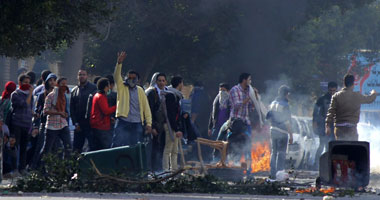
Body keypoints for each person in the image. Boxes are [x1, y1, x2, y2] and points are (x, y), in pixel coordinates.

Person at [112, 52, 152, 147]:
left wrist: (149, 123)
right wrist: (119, 63)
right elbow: (117, 76)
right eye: (129, 78)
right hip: (123, 121)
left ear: (137, 80)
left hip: (137, 122)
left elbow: (146, 108)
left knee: (134, 147)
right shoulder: (122, 87)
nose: (131, 80)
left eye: (134, 78)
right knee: (116, 144)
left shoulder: (140, 90)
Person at [326, 74, 377, 141]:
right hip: (352, 128)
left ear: (344, 83)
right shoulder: (357, 96)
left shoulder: (336, 96)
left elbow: (331, 112)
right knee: (352, 148)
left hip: (339, 129)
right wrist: (374, 93)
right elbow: (369, 99)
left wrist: (327, 126)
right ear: (353, 84)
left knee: (340, 148)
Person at [30, 73, 57, 169]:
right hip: (44, 123)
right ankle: (35, 166)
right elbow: (38, 109)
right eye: (50, 80)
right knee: (41, 146)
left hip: (56, 124)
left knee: (56, 147)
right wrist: (35, 125)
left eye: (54, 80)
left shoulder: (59, 95)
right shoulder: (42, 95)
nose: (52, 82)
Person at [266, 85, 293, 179]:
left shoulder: (273, 103)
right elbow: (287, 122)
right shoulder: (285, 105)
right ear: (286, 94)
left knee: (274, 152)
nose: (289, 96)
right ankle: (279, 174)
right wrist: (291, 134)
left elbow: (268, 117)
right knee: (281, 153)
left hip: (272, 130)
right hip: (282, 132)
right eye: (288, 94)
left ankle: (272, 173)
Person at [10, 74, 34, 174]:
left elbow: (30, 107)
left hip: (27, 124)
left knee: (24, 147)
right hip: (17, 123)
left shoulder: (30, 95)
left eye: (29, 83)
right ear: (20, 83)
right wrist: (30, 94)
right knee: (15, 146)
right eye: (25, 83)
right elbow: (24, 104)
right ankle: (14, 168)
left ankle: (22, 168)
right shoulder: (16, 94)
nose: (27, 85)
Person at [43, 77, 72, 155]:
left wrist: (64, 114)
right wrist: (59, 113)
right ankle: (39, 166)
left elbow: (65, 110)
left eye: (65, 84)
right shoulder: (51, 96)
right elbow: (45, 111)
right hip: (52, 126)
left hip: (63, 124)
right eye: (62, 84)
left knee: (68, 146)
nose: (64, 86)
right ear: (58, 85)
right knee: (47, 149)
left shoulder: (63, 96)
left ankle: (67, 166)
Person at [70, 69, 97, 152]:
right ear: (77, 76)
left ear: (87, 76)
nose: (81, 76)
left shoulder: (93, 88)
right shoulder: (74, 90)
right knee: (76, 149)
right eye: (80, 74)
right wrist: (75, 123)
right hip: (79, 125)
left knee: (92, 147)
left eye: (83, 74)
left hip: (90, 124)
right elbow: (72, 108)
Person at [146, 72, 168, 171]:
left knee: (161, 148)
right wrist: (153, 126)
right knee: (153, 149)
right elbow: (149, 110)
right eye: (159, 81)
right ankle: (152, 170)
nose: (161, 83)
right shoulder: (151, 93)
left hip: (163, 126)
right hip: (154, 126)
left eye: (163, 81)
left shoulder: (167, 92)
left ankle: (159, 171)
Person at [313, 81, 337, 168]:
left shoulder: (338, 98)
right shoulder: (322, 99)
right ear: (328, 89)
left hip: (334, 126)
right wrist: (315, 123)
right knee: (322, 145)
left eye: (334, 90)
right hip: (323, 126)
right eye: (330, 90)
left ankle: (328, 165)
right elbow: (315, 112)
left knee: (331, 146)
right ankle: (316, 164)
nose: (332, 92)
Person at [162, 76, 184, 171]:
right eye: (182, 83)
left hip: (174, 126)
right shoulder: (171, 95)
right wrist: (176, 128)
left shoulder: (176, 95)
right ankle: (166, 170)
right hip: (170, 126)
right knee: (168, 149)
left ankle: (174, 170)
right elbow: (171, 114)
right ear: (179, 83)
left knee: (175, 150)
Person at [90, 78, 116, 150]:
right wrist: (117, 107)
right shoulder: (101, 97)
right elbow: (106, 111)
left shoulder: (97, 95)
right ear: (105, 87)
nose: (109, 88)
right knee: (105, 148)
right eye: (108, 86)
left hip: (98, 125)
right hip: (101, 126)